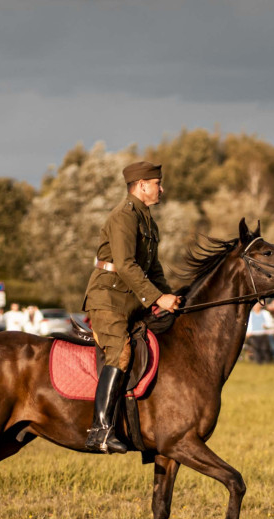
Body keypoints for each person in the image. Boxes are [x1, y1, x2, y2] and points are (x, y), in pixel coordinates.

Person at [81, 160, 179, 453]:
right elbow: (125, 264)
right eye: (158, 183)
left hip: (132, 301)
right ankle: (99, 431)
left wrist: (170, 296)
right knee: (121, 352)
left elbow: (154, 267)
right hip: (108, 299)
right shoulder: (124, 216)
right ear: (141, 186)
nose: (162, 188)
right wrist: (156, 298)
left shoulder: (147, 219)